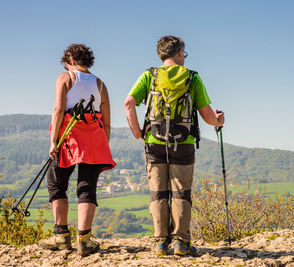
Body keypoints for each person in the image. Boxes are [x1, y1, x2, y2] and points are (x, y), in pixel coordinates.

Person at [124, 36, 225, 256]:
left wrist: (137, 133)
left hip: (154, 141)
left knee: (158, 193)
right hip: (184, 141)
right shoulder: (192, 78)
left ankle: (160, 242)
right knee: (181, 192)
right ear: (179, 52)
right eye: (184, 54)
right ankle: (181, 243)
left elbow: (128, 103)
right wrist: (219, 121)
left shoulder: (148, 76)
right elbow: (207, 114)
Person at [39, 44, 116, 256]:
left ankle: (61, 236)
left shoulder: (65, 77)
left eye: (65, 61)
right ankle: (84, 240)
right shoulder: (101, 85)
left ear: (71, 60)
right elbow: (107, 123)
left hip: (68, 138)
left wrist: (53, 141)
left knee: (56, 184)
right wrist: (102, 145)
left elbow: (58, 109)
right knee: (87, 187)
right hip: (95, 140)